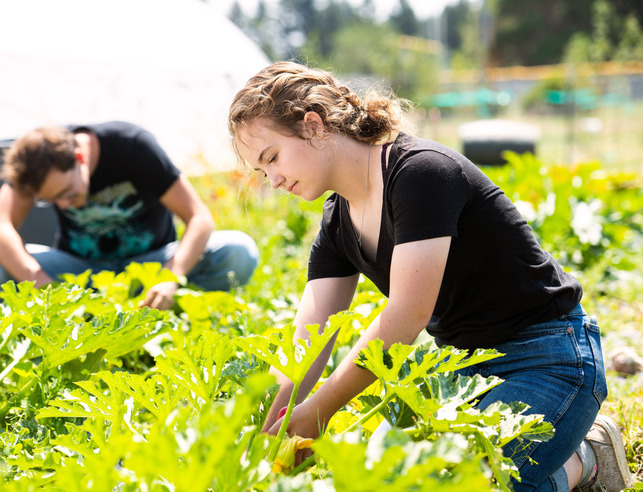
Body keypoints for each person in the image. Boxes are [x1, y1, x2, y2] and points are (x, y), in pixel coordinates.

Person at [228, 62, 632, 491]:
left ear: (313, 126)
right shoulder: (337, 222)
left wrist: (318, 411)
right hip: (463, 376)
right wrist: (265, 422)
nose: (271, 180)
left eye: (272, 158)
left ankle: (587, 458)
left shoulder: (420, 173)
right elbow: (307, 337)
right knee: (416, 481)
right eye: (260, 170)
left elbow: (406, 315)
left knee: (475, 484)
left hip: (548, 358)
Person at [0, 121, 259, 309]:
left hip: (151, 269)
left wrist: (170, 277)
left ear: (78, 157)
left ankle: (169, 313)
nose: (64, 205)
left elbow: (199, 218)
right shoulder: (36, 166)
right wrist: (41, 284)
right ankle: (82, 322)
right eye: (51, 201)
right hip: (79, 278)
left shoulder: (131, 146)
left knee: (239, 250)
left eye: (67, 192)